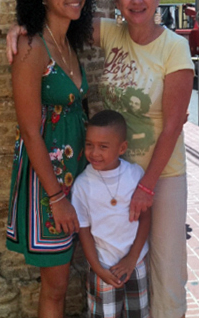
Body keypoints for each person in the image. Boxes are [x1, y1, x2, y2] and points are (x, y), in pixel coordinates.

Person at [6, 0, 194, 318]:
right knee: (98, 265)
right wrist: (19, 27)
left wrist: (147, 185)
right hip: (100, 174)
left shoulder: (174, 47)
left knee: (165, 267)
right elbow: (56, 20)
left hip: (157, 175)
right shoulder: (107, 32)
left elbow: (172, 125)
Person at [5, 0, 95, 318]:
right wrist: (57, 197)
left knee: (66, 278)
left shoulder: (71, 41)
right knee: (56, 286)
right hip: (49, 182)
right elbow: (29, 130)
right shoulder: (32, 46)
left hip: (78, 173)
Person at [72, 110, 150, 317]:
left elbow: (145, 218)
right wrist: (97, 268)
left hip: (136, 262)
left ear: (122, 147)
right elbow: (84, 231)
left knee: (138, 313)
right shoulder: (82, 185)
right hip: (103, 266)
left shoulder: (134, 175)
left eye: (103, 146)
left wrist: (133, 258)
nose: (94, 153)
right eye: (89, 144)